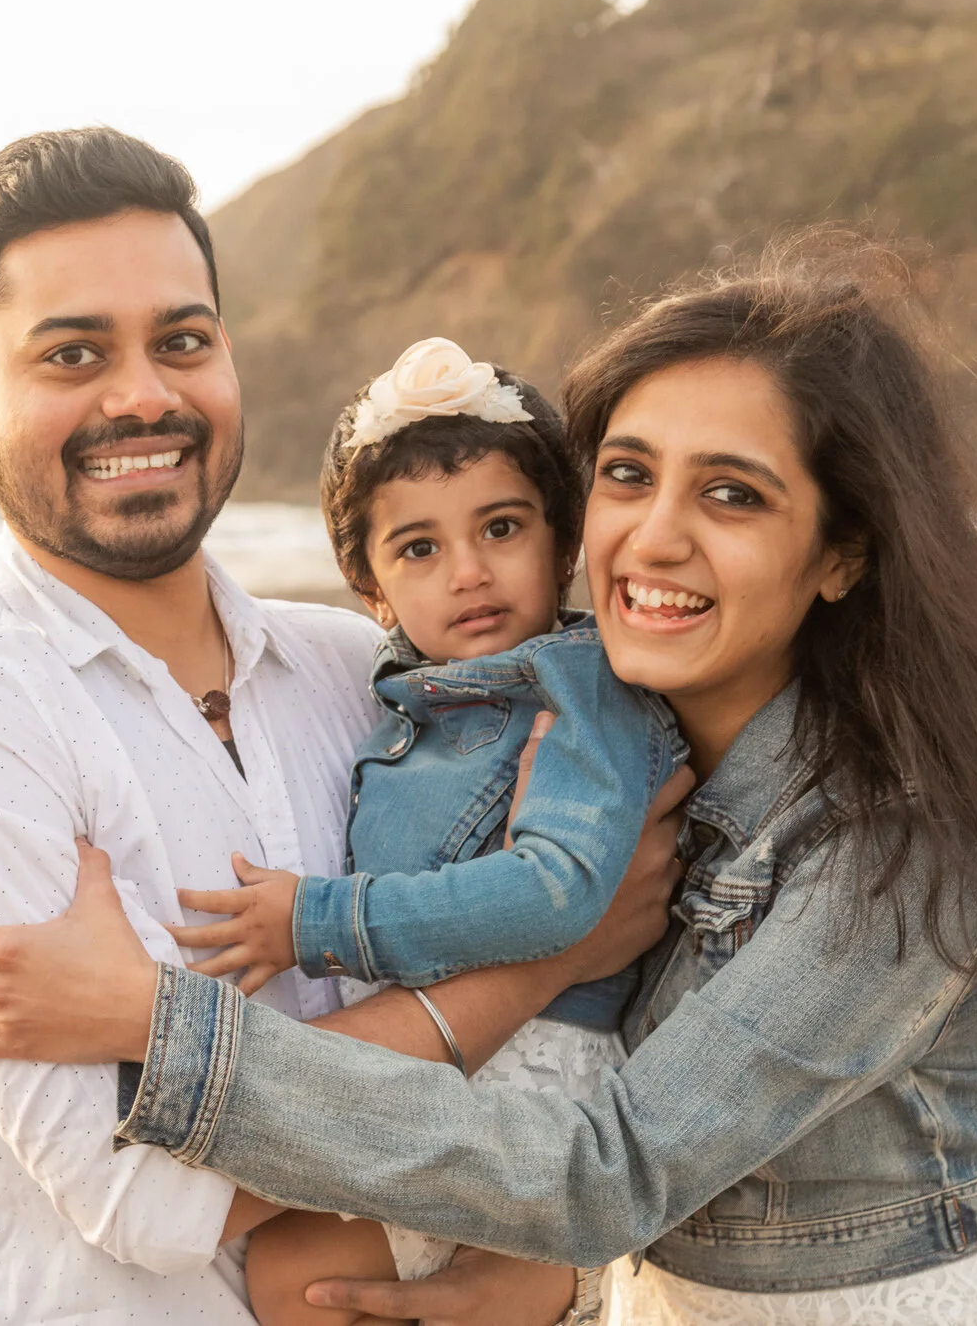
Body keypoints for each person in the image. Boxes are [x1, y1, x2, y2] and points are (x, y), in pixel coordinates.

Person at [0, 239, 977, 1324]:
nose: (652, 535)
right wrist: (570, 1276)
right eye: (624, 473)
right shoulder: (588, 734)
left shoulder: (892, 847)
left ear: (840, 552)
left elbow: (610, 1163)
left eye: (730, 493)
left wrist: (162, 1027)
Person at [0, 126, 679, 1326]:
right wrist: (543, 963)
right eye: (71, 353)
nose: (142, 395)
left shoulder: (365, 672)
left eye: (182, 340)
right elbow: (143, 1199)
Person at [160, 336, 688, 1326]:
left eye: (500, 527)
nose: (468, 572)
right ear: (369, 586)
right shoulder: (406, 703)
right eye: (419, 548)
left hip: (536, 1073)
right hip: (453, 1065)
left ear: (562, 541)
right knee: (296, 1275)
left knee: (298, 1275)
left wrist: (315, 922)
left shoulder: (577, 691)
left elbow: (557, 891)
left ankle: (545, 1279)